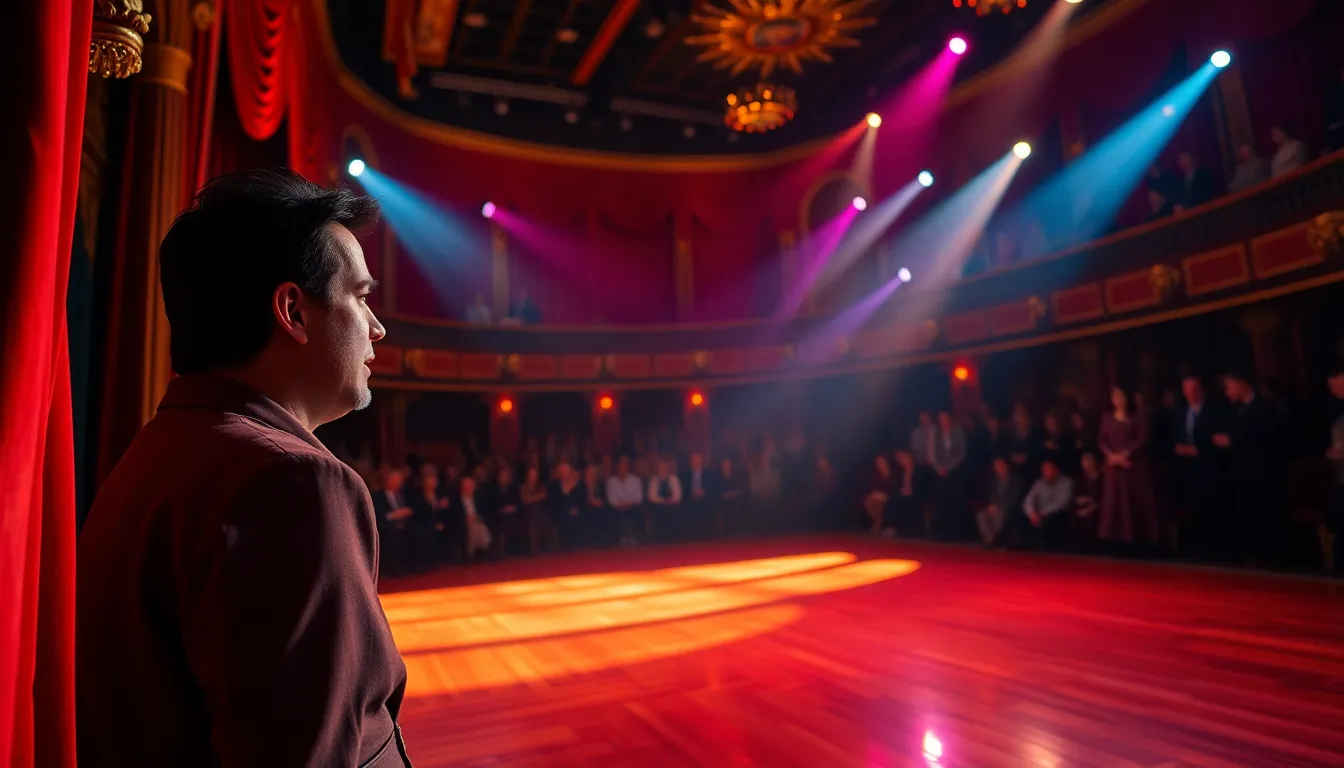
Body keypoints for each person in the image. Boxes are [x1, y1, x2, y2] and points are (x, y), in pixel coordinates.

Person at [76, 170, 411, 765]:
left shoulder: (157, 452)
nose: (377, 326)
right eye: (360, 296)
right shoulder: (292, 483)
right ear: (293, 312)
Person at [1097, 386, 1161, 552]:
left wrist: (1126, 454)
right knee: (1113, 502)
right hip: (1113, 467)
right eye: (1115, 396)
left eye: (1121, 396)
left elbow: (1142, 438)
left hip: (1131, 467)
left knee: (1131, 502)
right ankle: (1112, 541)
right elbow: (1101, 440)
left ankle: (1135, 541)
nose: (1118, 399)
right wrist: (1111, 456)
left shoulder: (1135, 418)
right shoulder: (1107, 418)